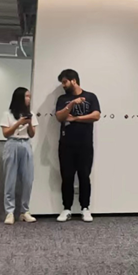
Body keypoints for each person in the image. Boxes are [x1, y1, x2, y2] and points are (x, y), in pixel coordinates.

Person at [54, 69, 101, 222]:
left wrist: (76, 119)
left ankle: (85, 208)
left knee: (84, 176)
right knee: (67, 177)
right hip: (66, 144)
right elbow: (60, 117)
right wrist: (72, 104)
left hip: (85, 144)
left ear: (73, 81)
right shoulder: (62, 99)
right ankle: (66, 208)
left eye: (65, 82)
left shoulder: (90, 96)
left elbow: (96, 115)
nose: (63, 85)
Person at [0, 87, 38, 225]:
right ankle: (9, 212)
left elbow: (32, 134)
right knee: (10, 179)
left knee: (28, 179)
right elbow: (6, 133)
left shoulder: (31, 114)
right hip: (12, 144)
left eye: (29, 96)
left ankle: (24, 211)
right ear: (20, 97)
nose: (29, 99)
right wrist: (19, 123)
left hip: (26, 144)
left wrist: (29, 123)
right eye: (26, 96)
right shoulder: (7, 114)